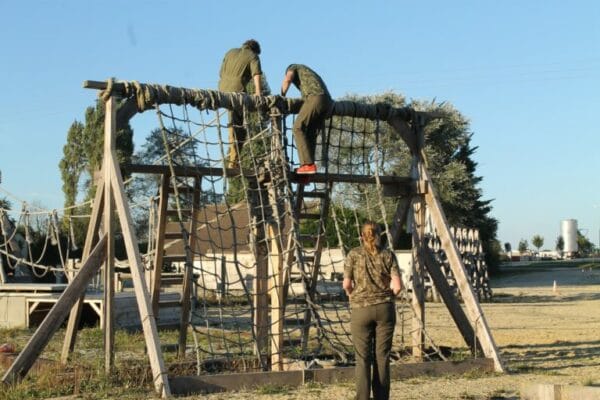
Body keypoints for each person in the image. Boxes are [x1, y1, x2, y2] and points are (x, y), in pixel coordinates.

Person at [343, 221, 403, 400]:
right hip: (384, 309)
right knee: (382, 357)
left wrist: (351, 294)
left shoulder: (353, 254)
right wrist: (388, 295)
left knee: (362, 358)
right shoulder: (388, 255)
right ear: (379, 235)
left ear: (362, 236)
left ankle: (362, 397)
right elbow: (398, 287)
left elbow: (346, 284)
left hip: (360, 310)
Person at [280, 64, 332, 174]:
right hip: (327, 101)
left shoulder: (293, 67)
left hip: (315, 98)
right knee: (310, 133)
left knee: (297, 128)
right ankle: (309, 170)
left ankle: (307, 165)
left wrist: (282, 95)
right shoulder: (308, 72)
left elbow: (288, 79)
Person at [218, 39, 263, 167]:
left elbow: (220, 72)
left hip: (221, 90)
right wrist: (258, 93)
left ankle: (234, 159)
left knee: (235, 123)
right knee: (238, 128)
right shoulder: (253, 56)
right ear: (255, 50)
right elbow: (256, 74)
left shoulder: (230, 52)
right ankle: (234, 161)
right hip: (237, 92)